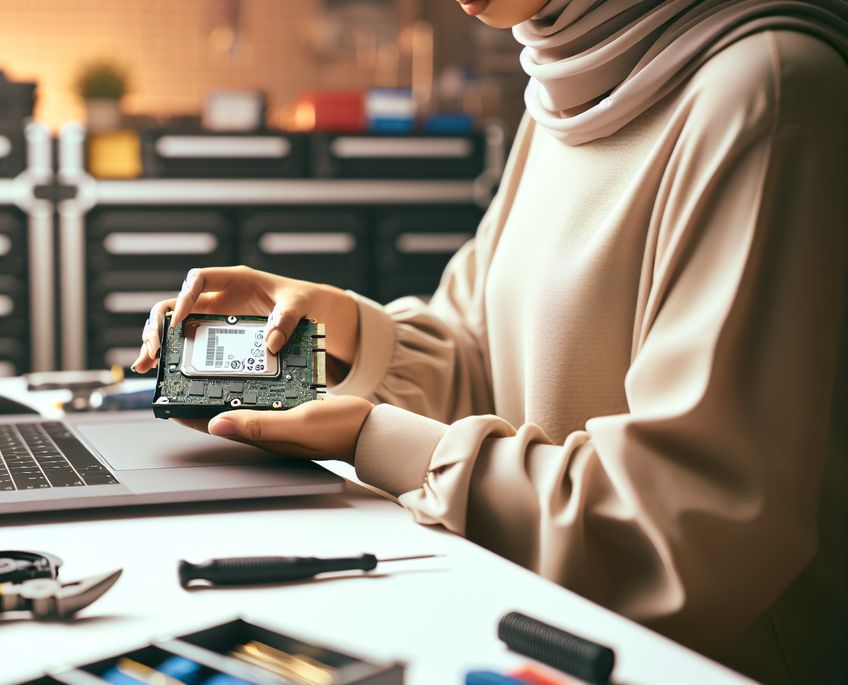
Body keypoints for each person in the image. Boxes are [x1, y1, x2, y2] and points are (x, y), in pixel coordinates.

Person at [131, 1, 848, 682]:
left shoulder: (770, 91)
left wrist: (371, 438)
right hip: (549, 621)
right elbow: (481, 351)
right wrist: (337, 330)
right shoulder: (568, 81)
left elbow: (689, 530)